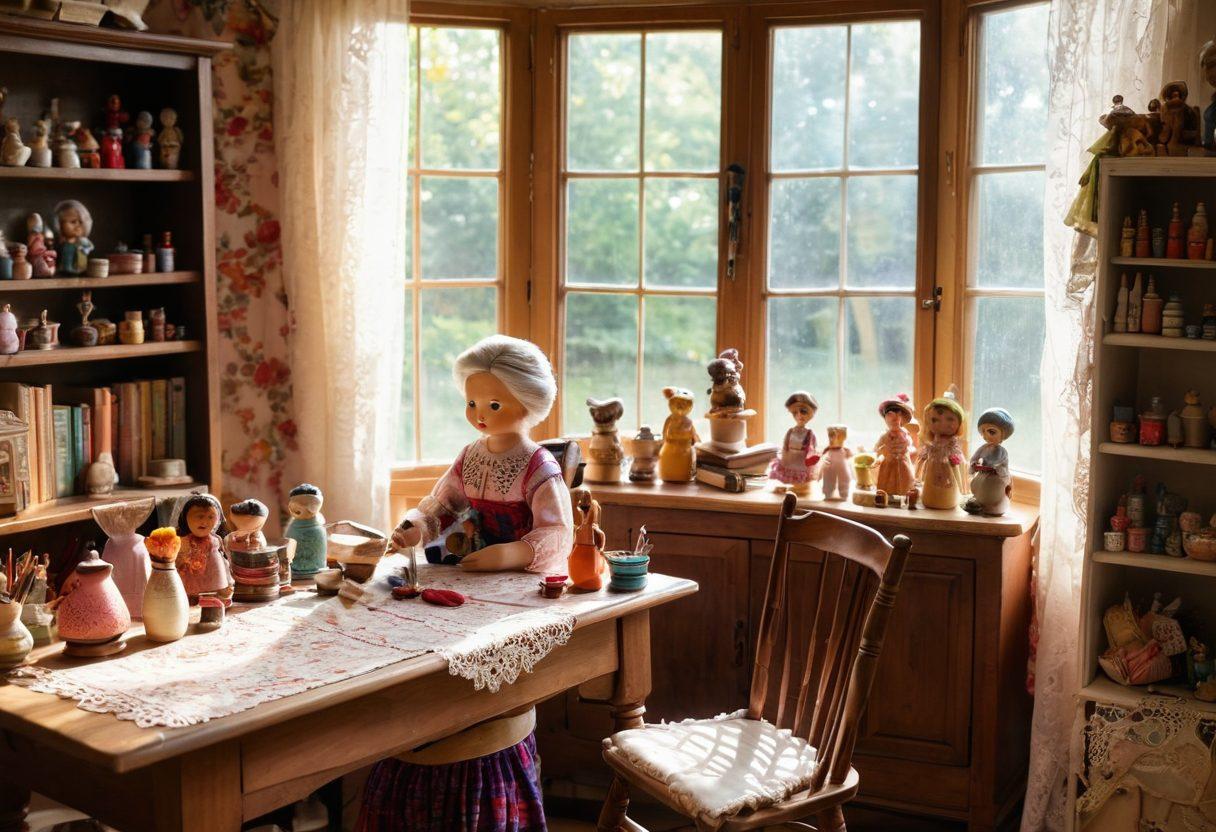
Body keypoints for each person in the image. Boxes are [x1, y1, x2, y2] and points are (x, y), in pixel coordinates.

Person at [358, 335, 573, 832]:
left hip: (514, 584)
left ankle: (472, 762)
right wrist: (416, 525)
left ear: (528, 402)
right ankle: (426, 747)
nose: (479, 413)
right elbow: (442, 504)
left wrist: (512, 552)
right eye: (472, 402)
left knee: (485, 667)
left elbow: (557, 533)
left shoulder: (539, 465)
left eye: (493, 404)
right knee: (413, 643)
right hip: (468, 573)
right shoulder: (471, 456)